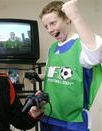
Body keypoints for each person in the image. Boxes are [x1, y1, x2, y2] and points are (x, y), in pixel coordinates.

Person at [39, 0, 102, 131]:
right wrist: (41, 76)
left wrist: (76, 15)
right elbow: (62, 72)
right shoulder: (52, 48)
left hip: (73, 121)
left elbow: (95, 54)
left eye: (53, 23)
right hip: (49, 116)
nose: (50, 30)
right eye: (46, 26)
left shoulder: (82, 43)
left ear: (67, 18)